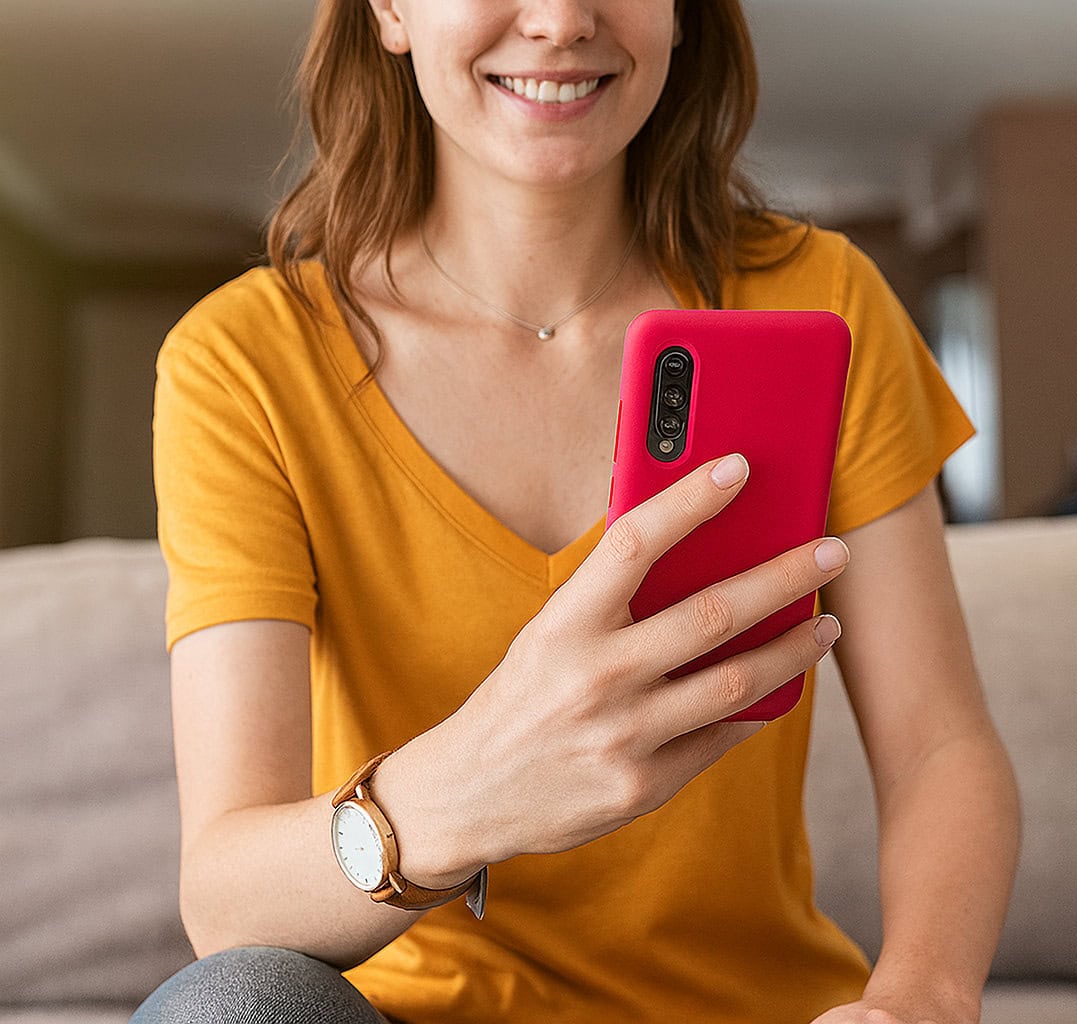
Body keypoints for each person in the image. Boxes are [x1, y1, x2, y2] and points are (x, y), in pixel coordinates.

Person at [132, 1, 1020, 1022]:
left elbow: (939, 747)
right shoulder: (245, 364)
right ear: (388, 9)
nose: (559, 20)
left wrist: (917, 1001)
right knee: (231, 1005)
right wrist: (472, 784)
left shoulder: (821, 302)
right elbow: (226, 896)